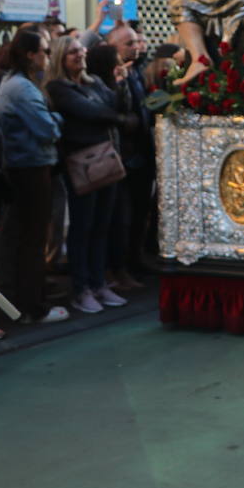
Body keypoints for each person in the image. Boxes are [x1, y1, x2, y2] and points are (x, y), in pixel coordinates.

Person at [45, 37, 131, 314]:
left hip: (106, 158)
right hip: (81, 162)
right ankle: (80, 288)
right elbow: (91, 112)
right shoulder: (58, 87)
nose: (79, 55)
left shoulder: (93, 81)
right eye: (72, 52)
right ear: (61, 57)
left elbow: (116, 105)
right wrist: (116, 119)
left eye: (81, 50)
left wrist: (120, 83)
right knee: (83, 226)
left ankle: (98, 282)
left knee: (102, 225)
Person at [0, 29, 67, 326]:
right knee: (32, 239)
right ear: (29, 53)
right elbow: (48, 130)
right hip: (30, 169)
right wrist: (58, 119)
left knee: (24, 238)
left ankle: (22, 303)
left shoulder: (17, 83)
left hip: (26, 167)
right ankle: (32, 306)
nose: (48, 57)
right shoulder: (22, 88)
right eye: (45, 51)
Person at [100, 25, 153, 291]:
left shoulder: (137, 71)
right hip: (121, 154)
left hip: (141, 152)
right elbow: (112, 110)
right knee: (121, 217)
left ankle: (135, 259)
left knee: (139, 211)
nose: (136, 47)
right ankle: (116, 269)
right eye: (128, 44)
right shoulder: (108, 77)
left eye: (136, 42)